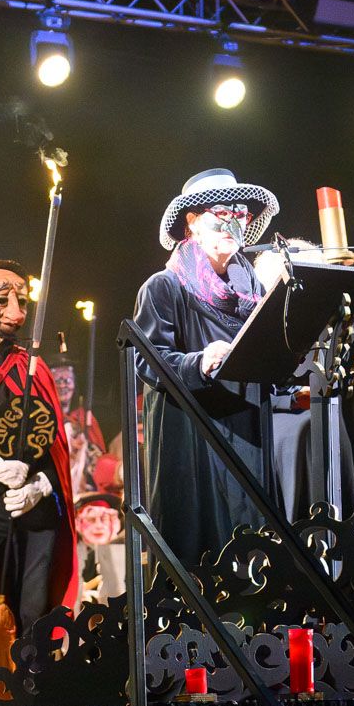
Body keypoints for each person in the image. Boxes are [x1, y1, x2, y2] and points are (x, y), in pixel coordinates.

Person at [134, 168, 279, 567]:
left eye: (240, 214)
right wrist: (200, 362)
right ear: (193, 223)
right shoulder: (164, 286)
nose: (231, 222)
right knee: (200, 558)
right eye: (221, 213)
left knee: (252, 554)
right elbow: (146, 359)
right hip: (193, 440)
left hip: (248, 436)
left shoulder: (256, 294)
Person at [0, 260, 79, 655]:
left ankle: (35, 684)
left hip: (36, 504)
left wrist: (40, 485)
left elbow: (55, 444)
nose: (16, 313)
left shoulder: (34, 367)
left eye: (22, 302)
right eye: (3, 300)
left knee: (35, 604)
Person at [252, 239, 354, 521]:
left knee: (325, 423)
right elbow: (249, 386)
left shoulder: (336, 323)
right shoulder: (258, 323)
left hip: (336, 434)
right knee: (309, 427)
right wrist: (291, 398)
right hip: (280, 426)